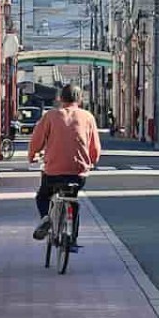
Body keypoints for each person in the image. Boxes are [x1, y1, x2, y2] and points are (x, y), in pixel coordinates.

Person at [28, 84, 101, 240]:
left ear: (60, 99)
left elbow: (36, 140)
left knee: (43, 196)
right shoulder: (88, 117)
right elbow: (94, 146)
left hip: (53, 172)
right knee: (73, 198)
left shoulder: (51, 116)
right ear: (80, 99)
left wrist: (32, 155)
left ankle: (46, 219)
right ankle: (72, 238)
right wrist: (93, 161)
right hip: (78, 173)